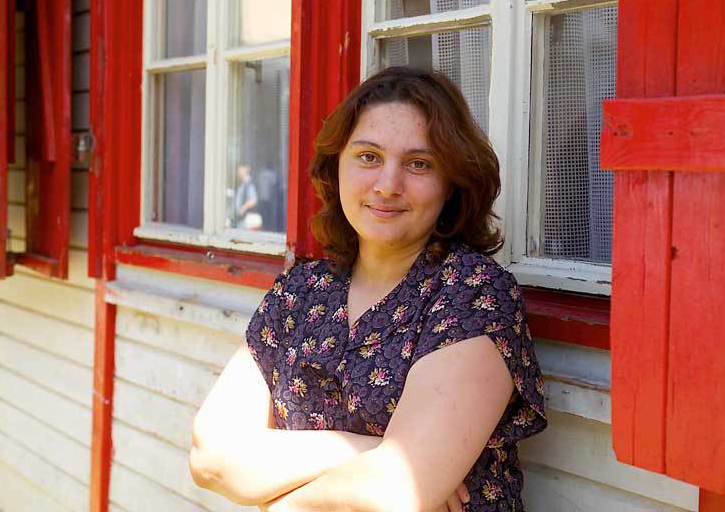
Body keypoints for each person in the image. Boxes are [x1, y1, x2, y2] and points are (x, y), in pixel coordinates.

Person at [190, 66, 547, 511]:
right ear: (336, 166)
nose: (387, 185)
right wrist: (361, 448)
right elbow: (210, 457)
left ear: (451, 184)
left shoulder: (472, 294)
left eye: (419, 164)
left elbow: (392, 492)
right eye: (368, 157)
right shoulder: (299, 292)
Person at [235, 163, 262, 230]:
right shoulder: (243, 184)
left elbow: (253, 200)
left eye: (240, 168)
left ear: (246, 169)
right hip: (243, 219)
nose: (238, 171)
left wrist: (242, 208)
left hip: (248, 219)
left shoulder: (250, 184)